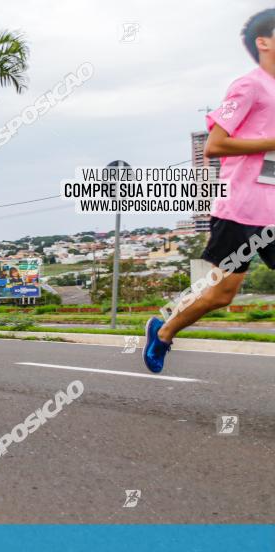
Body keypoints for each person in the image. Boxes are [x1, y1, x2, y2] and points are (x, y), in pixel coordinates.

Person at [144, 8, 275, 373]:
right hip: (240, 209)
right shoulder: (249, 86)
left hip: (272, 209)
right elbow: (215, 145)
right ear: (263, 42)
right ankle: (164, 330)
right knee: (221, 293)